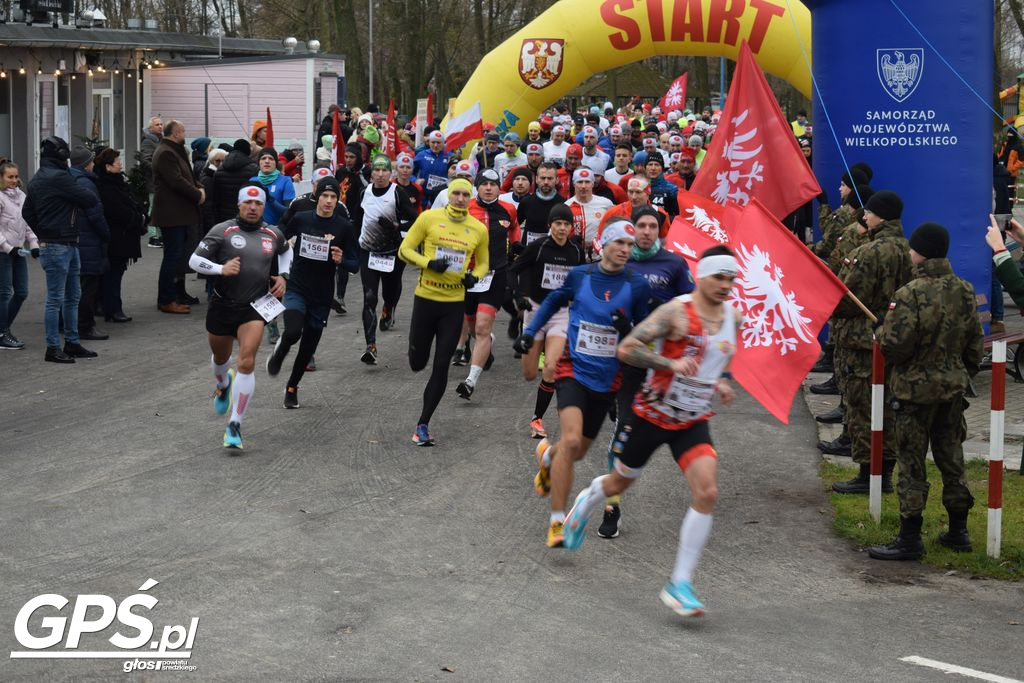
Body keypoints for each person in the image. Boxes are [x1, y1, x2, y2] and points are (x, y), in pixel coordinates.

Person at [559, 245, 739, 618]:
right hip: (652, 414)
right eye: (719, 277)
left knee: (707, 491)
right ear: (702, 275)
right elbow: (627, 348)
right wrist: (669, 363)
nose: (726, 285)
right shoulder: (676, 312)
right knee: (619, 484)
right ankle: (587, 500)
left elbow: (717, 360)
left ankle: (680, 583)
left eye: (731, 279)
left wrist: (720, 381)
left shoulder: (731, 318)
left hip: (691, 420)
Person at [513, 218, 650, 547]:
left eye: (630, 246)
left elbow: (646, 337)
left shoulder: (637, 284)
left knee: (574, 451)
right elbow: (551, 302)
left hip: (608, 381)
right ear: (604, 243)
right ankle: (557, 521)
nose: (625, 250)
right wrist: (530, 333)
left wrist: (627, 328)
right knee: (572, 441)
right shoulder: (581, 275)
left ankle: (547, 457)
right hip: (573, 369)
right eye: (620, 243)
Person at [869, 223, 984, 561]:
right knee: (952, 458)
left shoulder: (910, 293)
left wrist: (880, 333)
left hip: (914, 394)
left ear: (921, 252)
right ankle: (959, 531)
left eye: (913, 248)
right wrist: (959, 374)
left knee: (911, 463)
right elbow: (975, 345)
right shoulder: (964, 290)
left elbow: (896, 346)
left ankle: (909, 538)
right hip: (951, 391)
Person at [594, 205, 695, 538]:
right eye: (641, 226)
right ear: (631, 229)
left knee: (679, 436)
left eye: (653, 226)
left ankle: (701, 504)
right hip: (628, 362)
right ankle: (613, 505)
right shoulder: (619, 262)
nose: (647, 231)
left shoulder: (674, 264)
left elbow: (693, 311)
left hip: (667, 369)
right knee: (623, 433)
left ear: (660, 231)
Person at [188, 185, 291, 449]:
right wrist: (220, 268)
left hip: (254, 307)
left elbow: (286, 250)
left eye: (258, 203)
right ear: (239, 204)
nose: (253, 207)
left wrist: (283, 276)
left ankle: (235, 424)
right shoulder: (223, 231)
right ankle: (223, 383)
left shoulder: (273, 233)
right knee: (221, 359)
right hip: (222, 306)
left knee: (246, 361)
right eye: (248, 203)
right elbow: (194, 261)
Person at [831, 190, 913, 493]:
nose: (864, 216)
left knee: (862, 409)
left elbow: (850, 298)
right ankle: (884, 473)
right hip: (890, 339)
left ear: (882, 216)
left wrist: (824, 299)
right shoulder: (907, 248)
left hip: (863, 341)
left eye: (869, 212)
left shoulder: (871, 252)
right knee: (885, 410)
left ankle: (869, 476)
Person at [398, 178, 489, 446]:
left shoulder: (478, 228)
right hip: (426, 299)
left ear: (470, 198)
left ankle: (423, 423)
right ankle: (416, 354)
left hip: (453, 304)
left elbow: (484, 263)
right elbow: (404, 250)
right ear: (449, 195)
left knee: (441, 366)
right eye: (456, 193)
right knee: (418, 362)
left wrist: (475, 277)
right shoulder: (429, 218)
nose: (460, 198)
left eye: (465, 194)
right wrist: (428, 263)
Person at [266, 177, 358, 407]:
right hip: (298, 286)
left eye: (333, 197)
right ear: (317, 197)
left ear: (338, 200)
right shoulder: (301, 218)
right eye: (325, 196)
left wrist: (341, 260)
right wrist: (286, 249)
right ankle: (280, 351)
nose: (328, 201)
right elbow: (278, 237)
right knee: (294, 330)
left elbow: (355, 264)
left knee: (308, 347)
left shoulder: (344, 227)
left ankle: (292, 387)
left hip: (322, 294)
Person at [22, 136, 100, 363]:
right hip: (61, 243)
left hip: (58, 242)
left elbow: (27, 212)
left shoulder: (37, 178)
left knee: (67, 296)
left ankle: (70, 343)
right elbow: (89, 199)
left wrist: (43, 231)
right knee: (61, 298)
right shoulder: (60, 177)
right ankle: (54, 348)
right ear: (62, 156)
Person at [509, 203, 584, 437]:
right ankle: (536, 351)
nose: (562, 228)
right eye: (558, 223)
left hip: (561, 314)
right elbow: (513, 271)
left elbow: (583, 283)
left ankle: (537, 420)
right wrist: (519, 295)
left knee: (551, 368)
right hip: (536, 310)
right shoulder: (538, 247)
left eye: (566, 224)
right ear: (550, 225)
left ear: (571, 227)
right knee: (530, 374)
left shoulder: (576, 252)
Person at [455, 168, 521, 398]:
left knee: (483, 327)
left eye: (494, 184)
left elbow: (514, 229)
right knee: (472, 326)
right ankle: (486, 344)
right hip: (468, 275)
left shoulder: (508, 209)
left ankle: (470, 381)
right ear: (478, 186)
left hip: (495, 273)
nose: (489, 188)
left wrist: (515, 248)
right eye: (484, 183)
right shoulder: (465, 207)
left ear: (499, 187)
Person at [358, 154, 418, 364]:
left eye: (385, 171)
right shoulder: (364, 192)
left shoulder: (397, 192)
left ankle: (389, 307)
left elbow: (415, 220)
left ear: (390, 173)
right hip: (368, 251)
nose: (381, 174)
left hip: (392, 252)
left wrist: (395, 227)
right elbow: (357, 220)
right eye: (377, 170)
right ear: (371, 172)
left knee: (390, 292)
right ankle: (370, 346)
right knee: (369, 297)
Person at [151, 120, 204, 315]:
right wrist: (197, 194)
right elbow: (176, 181)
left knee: (177, 255)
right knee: (172, 256)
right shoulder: (166, 152)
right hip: (171, 214)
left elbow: (187, 176)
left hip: (179, 212)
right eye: (183, 131)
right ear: (175, 134)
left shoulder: (173, 150)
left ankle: (176, 294)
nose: (185, 134)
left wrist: (199, 187)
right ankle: (166, 299)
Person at [94, 147, 146, 324]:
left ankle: (109, 306)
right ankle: (113, 308)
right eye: (118, 162)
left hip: (121, 235)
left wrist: (140, 215)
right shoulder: (106, 187)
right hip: (117, 237)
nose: (121, 164)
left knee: (114, 273)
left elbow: (131, 203)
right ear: (108, 166)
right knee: (113, 274)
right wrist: (137, 218)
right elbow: (117, 211)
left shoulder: (117, 183)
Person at [68, 145, 111, 341]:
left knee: (73, 285)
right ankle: (85, 326)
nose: (94, 164)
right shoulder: (87, 184)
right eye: (91, 161)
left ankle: (67, 323)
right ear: (86, 165)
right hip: (89, 241)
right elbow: (95, 214)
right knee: (87, 287)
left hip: (75, 239)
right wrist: (106, 235)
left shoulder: (69, 179)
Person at [0, 161, 38, 349]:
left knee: (22, 292)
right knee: (5, 293)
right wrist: (7, 247)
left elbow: (26, 223)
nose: (14, 180)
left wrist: (34, 243)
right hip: (3, 253)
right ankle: (2, 334)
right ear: (1, 178)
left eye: (16, 176)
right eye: (10, 177)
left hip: (19, 251)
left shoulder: (21, 196)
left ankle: (3, 328)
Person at [564, 168, 613, 259]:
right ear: (574, 184)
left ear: (593, 184)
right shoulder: (566, 206)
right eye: (580, 182)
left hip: (599, 258)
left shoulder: (606, 203)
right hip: (574, 257)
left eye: (587, 182)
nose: (583, 186)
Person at [516, 162, 565, 243]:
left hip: (552, 251)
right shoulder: (526, 202)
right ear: (536, 179)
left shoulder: (563, 204)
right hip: (529, 252)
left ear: (557, 180)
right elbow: (514, 226)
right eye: (542, 178)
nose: (546, 182)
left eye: (550, 178)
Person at [251, 147, 295, 228]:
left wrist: (271, 200)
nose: (267, 161)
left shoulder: (285, 181)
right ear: (259, 162)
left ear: (275, 163)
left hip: (276, 230)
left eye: (271, 159)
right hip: (255, 230)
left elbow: (289, 212)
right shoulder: (252, 181)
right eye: (263, 158)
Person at [140, 116, 164, 248]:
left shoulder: (162, 140)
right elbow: (145, 160)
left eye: (161, 124)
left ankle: (160, 235)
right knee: (153, 209)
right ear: (150, 128)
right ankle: (152, 236)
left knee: (160, 209)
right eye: (157, 125)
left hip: (162, 182)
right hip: (154, 181)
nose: (160, 126)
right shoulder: (148, 141)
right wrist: (159, 170)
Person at [413, 131, 452, 208]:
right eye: (433, 142)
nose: (435, 145)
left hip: (442, 195)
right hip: (424, 195)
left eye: (438, 142)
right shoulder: (422, 155)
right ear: (429, 142)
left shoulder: (449, 156)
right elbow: (410, 171)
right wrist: (415, 180)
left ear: (443, 143)